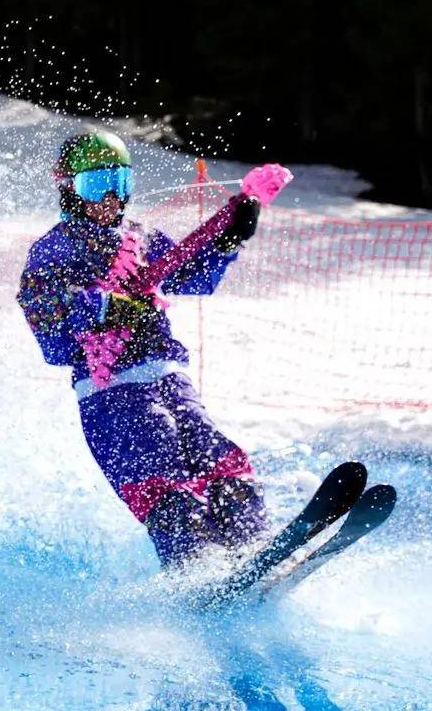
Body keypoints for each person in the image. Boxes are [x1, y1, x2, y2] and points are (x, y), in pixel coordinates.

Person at [17, 129, 268, 569]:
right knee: (164, 476)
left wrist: (230, 240)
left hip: (169, 374)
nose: (112, 198)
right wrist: (100, 308)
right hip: (111, 393)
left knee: (216, 460)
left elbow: (194, 276)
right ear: (68, 189)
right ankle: (196, 570)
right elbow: (52, 339)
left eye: (121, 183)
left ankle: (253, 545)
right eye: (97, 185)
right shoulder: (52, 251)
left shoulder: (142, 236)